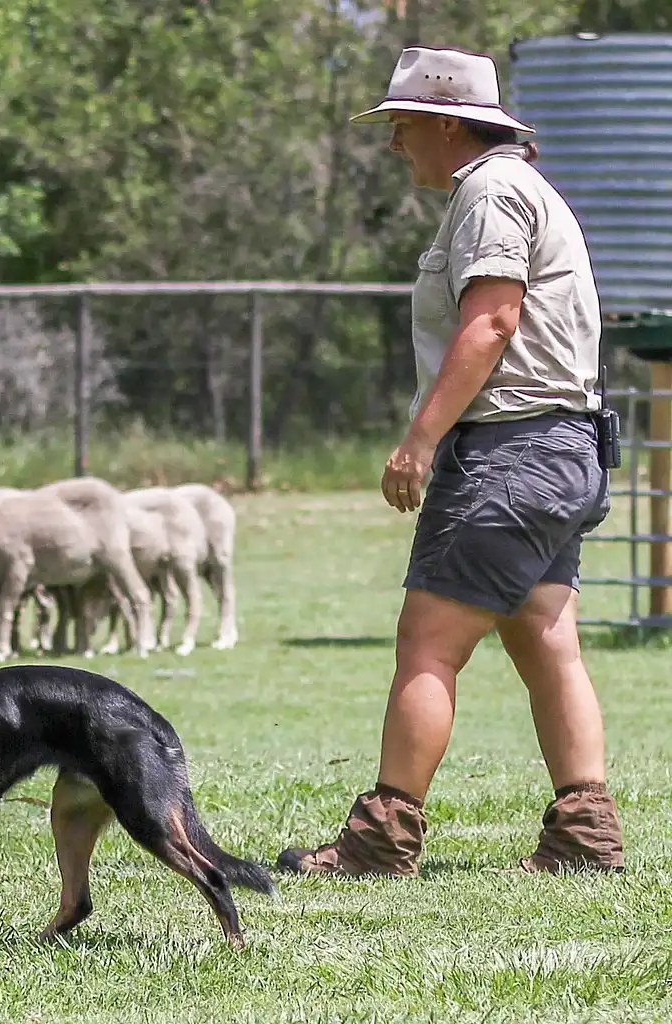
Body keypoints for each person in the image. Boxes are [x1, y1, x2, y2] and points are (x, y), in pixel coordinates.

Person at [277, 45, 624, 877]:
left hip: (510, 449)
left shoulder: (490, 191)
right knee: (546, 640)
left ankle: (379, 840)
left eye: (399, 125)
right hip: (565, 448)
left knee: (426, 644)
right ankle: (585, 836)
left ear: (442, 122)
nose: (394, 143)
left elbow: (491, 324)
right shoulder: (520, 188)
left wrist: (420, 437)